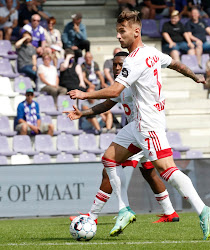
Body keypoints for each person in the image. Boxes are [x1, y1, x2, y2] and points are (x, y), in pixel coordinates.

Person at [68, 10, 210, 240]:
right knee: (108, 158)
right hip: (137, 124)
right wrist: (195, 76)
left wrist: (84, 94)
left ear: (136, 31)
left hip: (149, 123)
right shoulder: (153, 52)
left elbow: (115, 91)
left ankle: (203, 209)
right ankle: (124, 209)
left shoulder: (135, 59)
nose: (118, 36)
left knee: (166, 169)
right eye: (117, 31)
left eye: (122, 31)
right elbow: (176, 64)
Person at [66, 51, 179, 223]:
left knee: (109, 169)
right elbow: (106, 104)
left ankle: (94, 216)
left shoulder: (136, 82)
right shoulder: (121, 86)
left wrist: (85, 95)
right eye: (114, 65)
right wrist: (83, 113)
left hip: (141, 132)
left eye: (121, 64)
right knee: (149, 172)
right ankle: (170, 212)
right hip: (139, 134)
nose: (117, 68)